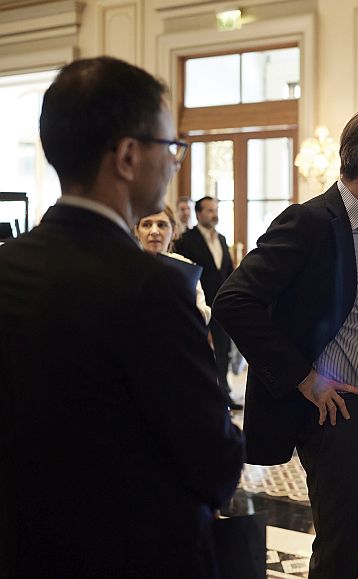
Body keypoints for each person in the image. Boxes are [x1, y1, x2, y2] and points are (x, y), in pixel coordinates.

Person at [0, 56, 243, 579]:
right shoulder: (152, 287)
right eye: (171, 146)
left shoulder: (8, 265)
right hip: (132, 554)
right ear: (129, 156)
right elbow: (214, 461)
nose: (174, 161)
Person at [213, 108, 358, 579]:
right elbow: (233, 301)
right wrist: (303, 378)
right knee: (339, 552)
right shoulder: (309, 222)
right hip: (341, 418)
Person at [175, 196, 238, 409]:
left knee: (223, 351)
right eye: (210, 210)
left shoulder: (222, 239)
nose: (214, 214)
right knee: (201, 352)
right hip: (199, 305)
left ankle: (224, 393)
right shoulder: (186, 240)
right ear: (199, 213)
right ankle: (205, 396)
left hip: (222, 306)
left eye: (216, 210)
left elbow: (227, 272)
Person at [135, 205, 211, 324]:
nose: (154, 231)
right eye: (147, 225)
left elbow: (203, 313)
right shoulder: (127, 265)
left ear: (174, 231)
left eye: (161, 225)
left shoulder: (185, 267)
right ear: (137, 231)